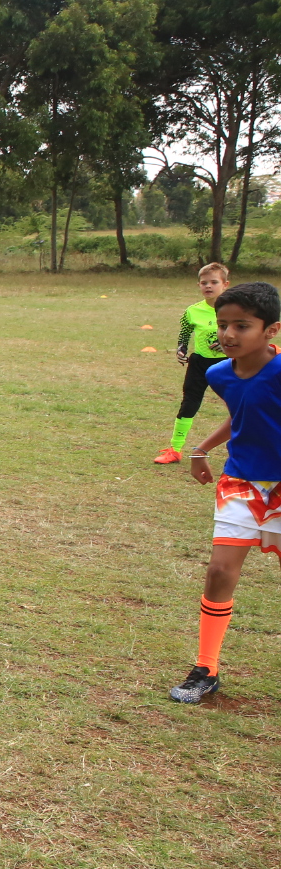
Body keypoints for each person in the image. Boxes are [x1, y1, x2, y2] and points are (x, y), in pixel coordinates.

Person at [171, 281, 281, 703]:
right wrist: (201, 449)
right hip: (242, 481)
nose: (228, 334)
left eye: (242, 325)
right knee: (219, 571)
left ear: (271, 330)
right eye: (222, 325)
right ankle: (206, 669)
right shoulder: (219, 373)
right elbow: (243, 416)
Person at [155, 263, 231, 465]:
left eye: (214, 282)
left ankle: (247, 449)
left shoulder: (235, 310)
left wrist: (228, 346)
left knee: (240, 406)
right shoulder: (192, 311)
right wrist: (181, 349)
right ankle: (175, 449)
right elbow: (185, 333)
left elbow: (246, 334)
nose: (208, 286)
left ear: (225, 284)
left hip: (229, 364)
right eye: (204, 283)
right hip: (199, 363)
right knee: (189, 403)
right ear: (198, 285)